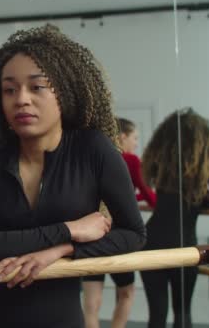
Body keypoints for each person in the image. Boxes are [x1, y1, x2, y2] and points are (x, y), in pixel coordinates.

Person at [0, 24, 146, 328]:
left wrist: (61, 250)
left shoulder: (92, 149)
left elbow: (133, 234)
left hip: (60, 318)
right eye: (9, 89)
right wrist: (69, 229)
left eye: (37, 87)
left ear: (64, 92)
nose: (21, 99)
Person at [140, 108, 209, 328]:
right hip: (183, 245)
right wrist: (196, 199)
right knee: (182, 313)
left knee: (157, 315)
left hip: (152, 241)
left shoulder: (161, 162)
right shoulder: (208, 165)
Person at [82, 117, 156, 328]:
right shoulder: (131, 160)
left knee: (91, 302)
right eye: (134, 137)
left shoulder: (93, 157)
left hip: (92, 232)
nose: (135, 143)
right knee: (126, 293)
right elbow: (150, 197)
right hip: (118, 235)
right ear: (122, 136)